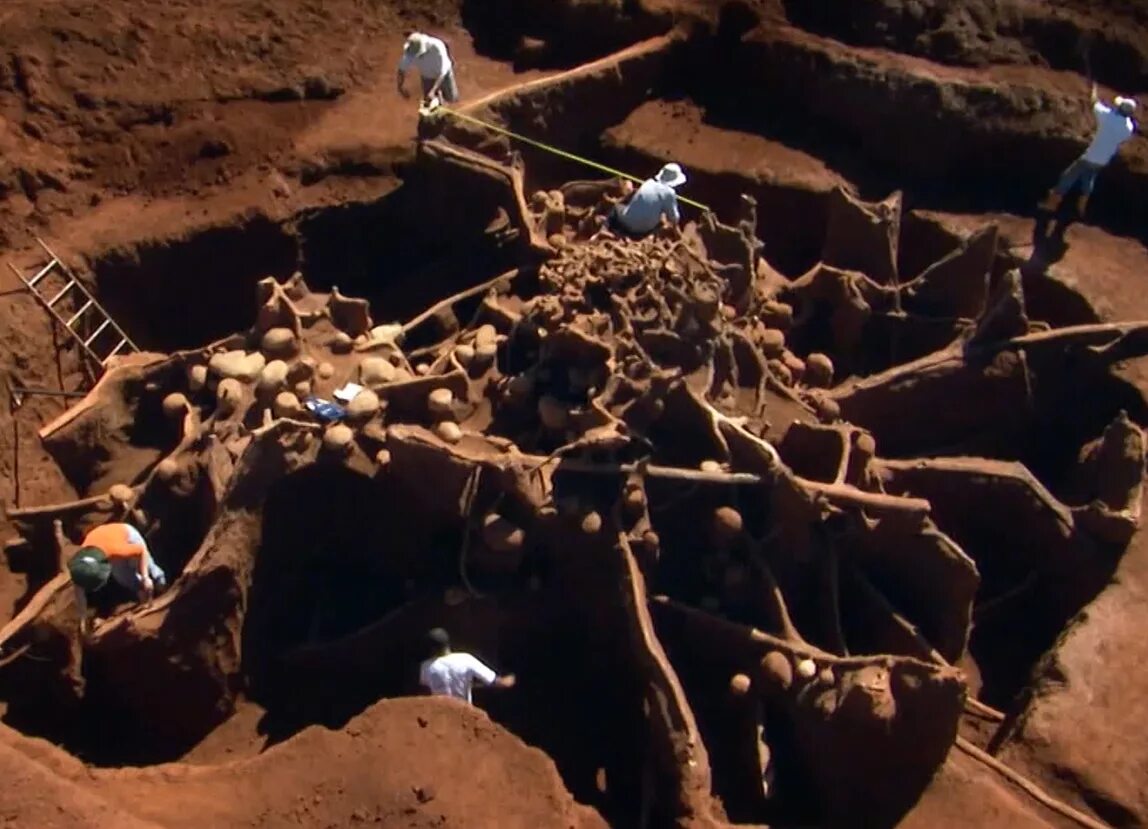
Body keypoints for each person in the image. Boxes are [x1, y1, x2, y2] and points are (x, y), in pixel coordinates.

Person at [1040, 84, 1137, 216]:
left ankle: (1052, 204)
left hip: (1091, 156)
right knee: (1089, 178)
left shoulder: (1108, 117)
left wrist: (1093, 91)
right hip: (1103, 160)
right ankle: (1081, 207)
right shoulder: (1128, 128)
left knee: (1068, 176)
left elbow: (1094, 103)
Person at [66, 522, 167, 634]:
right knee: (123, 577)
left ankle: (161, 584)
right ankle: (145, 600)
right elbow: (79, 592)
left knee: (149, 566)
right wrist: (83, 620)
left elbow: (141, 551)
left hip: (126, 534)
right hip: (104, 540)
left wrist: (145, 577)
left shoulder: (113, 550)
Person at [418, 627, 514, 704]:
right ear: (448, 643)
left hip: (441, 717)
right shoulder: (465, 659)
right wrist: (513, 678)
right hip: (464, 716)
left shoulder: (426, 667)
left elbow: (425, 692)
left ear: (431, 648)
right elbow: (497, 682)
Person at [608, 163, 688, 239]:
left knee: (616, 207)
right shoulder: (669, 193)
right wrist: (676, 229)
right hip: (643, 230)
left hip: (626, 222)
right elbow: (674, 217)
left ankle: (607, 227)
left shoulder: (648, 182)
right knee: (661, 220)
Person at [397, 32, 459, 108]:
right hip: (427, 76)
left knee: (451, 99)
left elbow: (442, 73)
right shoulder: (410, 51)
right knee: (429, 102)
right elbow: (401, 70)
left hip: (444, 75)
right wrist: (400, 87)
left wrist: (433, 91)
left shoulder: (437, 47)